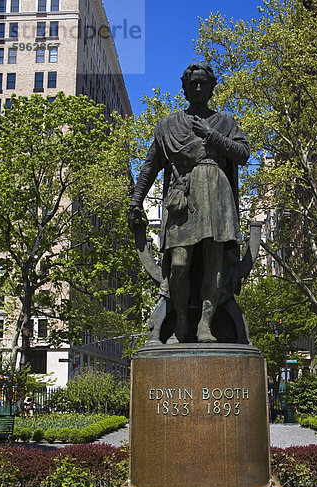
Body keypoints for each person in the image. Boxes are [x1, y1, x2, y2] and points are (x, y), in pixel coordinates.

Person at [128, 62, 250, 343]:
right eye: (192, 83)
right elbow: (150, 167)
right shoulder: (168, 126)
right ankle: (181, 319)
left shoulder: (224, 122)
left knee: (214, 264)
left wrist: (212, 135)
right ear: (184, 88)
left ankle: (205, 325)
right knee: (179, 262)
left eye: (203, 83)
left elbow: (242, 154)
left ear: (211, 88)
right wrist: (136, 201)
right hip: (182, 200)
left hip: (216, 194)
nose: (198, 88)